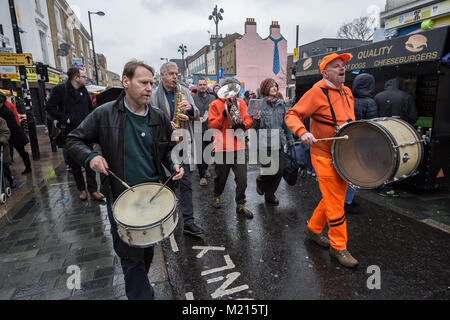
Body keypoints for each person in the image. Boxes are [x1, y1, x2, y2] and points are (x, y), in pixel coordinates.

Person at [66, 60, 184, 300]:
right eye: (143, 82)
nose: (150, 88)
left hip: (153, 197)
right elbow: (73, 140)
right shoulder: (104, 113)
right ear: (126, 81)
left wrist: (173, 165)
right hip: (121, 198)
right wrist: (91, 157)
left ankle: (141, 287)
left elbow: (167, 151)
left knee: (146, 251)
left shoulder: (159, 117)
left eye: (152, 83)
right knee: (130, 258)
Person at [285, 52, 358, 268]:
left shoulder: (347, 92)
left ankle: (313, 229)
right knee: (336, 201)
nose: (341, 68)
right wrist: (302, 132)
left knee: (334, 196)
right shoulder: (316, 92)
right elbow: (291, 114)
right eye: (336, 66)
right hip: (323, 155)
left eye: (342, 65)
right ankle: (339, 247)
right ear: (325, 72)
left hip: (344, 156)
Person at [150, 61, 203, 237]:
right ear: (162, 75)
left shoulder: (185, 91)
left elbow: (196, 112)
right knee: (169, 185)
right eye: (171, 74)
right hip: (165, 145)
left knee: (187, 183)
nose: (175, 77)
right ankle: (168, 219)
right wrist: (164, 123)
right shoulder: (153, 95)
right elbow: (148, 118)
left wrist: (190, 109)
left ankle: (188, 222)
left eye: (176, 74)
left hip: (183, 142)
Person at [46, 67, 104, 201]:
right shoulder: (61, 89)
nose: (85, 79)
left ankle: (93, 190)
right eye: (83, 76)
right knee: (75, 164)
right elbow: (49, 107)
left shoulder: (84, 90)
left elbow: (90, 109)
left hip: (86, 131)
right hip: (70, 133)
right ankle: (82, 190)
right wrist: (64, 118)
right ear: (76, 78)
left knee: (90, 160)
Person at [208, 77, 255, 218]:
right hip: (222, 147)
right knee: (221, 177)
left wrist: (243, 126)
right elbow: (212, 126)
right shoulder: (215, 104)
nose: (230, 92)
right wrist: (223, 115)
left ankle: (241, 204)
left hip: (239, 146)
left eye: (232, 88)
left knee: (242, 179)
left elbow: (248, 120)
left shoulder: (241, 103)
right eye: (227, 88)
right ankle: (217, 195)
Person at [374, 78, 418, 196]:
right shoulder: (406, 96)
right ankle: (388, 186)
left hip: (380, 132)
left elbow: (373, 115)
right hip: (399, 133)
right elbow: (413, 116)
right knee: (395, 159)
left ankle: (378, 183)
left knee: (379, 157)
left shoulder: (378, 96)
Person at [253, 78, 293, 205]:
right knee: (270, 170)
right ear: (265, 89)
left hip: (279, 142)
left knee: (280, 170)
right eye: (272, 86)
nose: (275, 88)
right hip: (265, 143)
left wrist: (290, 138)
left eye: (276, 86)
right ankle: (261, 180)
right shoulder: (259, 104)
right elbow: (254, 127)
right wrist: (257, 119)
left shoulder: (281, 104)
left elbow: (286, 124)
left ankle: (270, 195)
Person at [345, 73, 378, 213]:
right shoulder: (369, 102)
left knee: (345, 171)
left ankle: (346, 199)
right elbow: (372, 126)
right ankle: (347, 202)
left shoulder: (348, 99)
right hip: (360, 143)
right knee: (354, 173)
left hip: (346, 140)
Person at [0, 92, 32, 175]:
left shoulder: (6, 110)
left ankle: (28, 167)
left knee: (22, 152)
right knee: (14, 152)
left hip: (15, 134)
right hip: (12, 134)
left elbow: (10, 124)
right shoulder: (4, 108)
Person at [193, 77, 215, 186]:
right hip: (197, 128)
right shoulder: (193, 98)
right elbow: (189, 112)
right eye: (200, 84)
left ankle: (205, 168)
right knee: (199, 152)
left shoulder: (212, 98)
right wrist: (196, 117)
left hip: (210, 128)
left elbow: (216, 111)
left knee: (208, 151)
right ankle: (202, 176)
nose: (202, 86)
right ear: (197, 86)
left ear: (207, 86)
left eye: (204, 84)